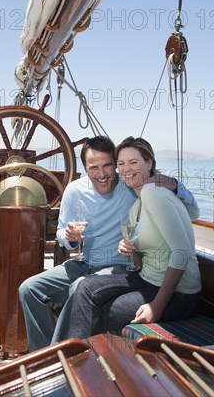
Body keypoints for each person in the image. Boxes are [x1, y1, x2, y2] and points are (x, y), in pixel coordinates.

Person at [19, 136, 199, 351]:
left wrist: (176, 185)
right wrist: (68, 238)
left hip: (120, 267)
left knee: (80, 289)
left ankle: (58, 355)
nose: (102, 174)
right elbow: (61, 232)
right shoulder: (74, 191)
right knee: (29, 289)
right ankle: (42, 353)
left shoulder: (131, 186)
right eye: (93, 168)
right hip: (84, 262)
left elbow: (190, 213)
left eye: (108, 166)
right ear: (85, 167)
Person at [67, 137, 202, 340]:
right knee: (85, 287)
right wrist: (131, 250)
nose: (126, 169)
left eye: (134, 162)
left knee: (99, 312)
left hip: (180, 294)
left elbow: (181, 252)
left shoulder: (153, 192)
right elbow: (140, 261)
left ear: (149, 163)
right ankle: (78, 359)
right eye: (121, 164)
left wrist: (156, 306)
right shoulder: (135, 208)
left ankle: (80, 363)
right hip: (146, 278)